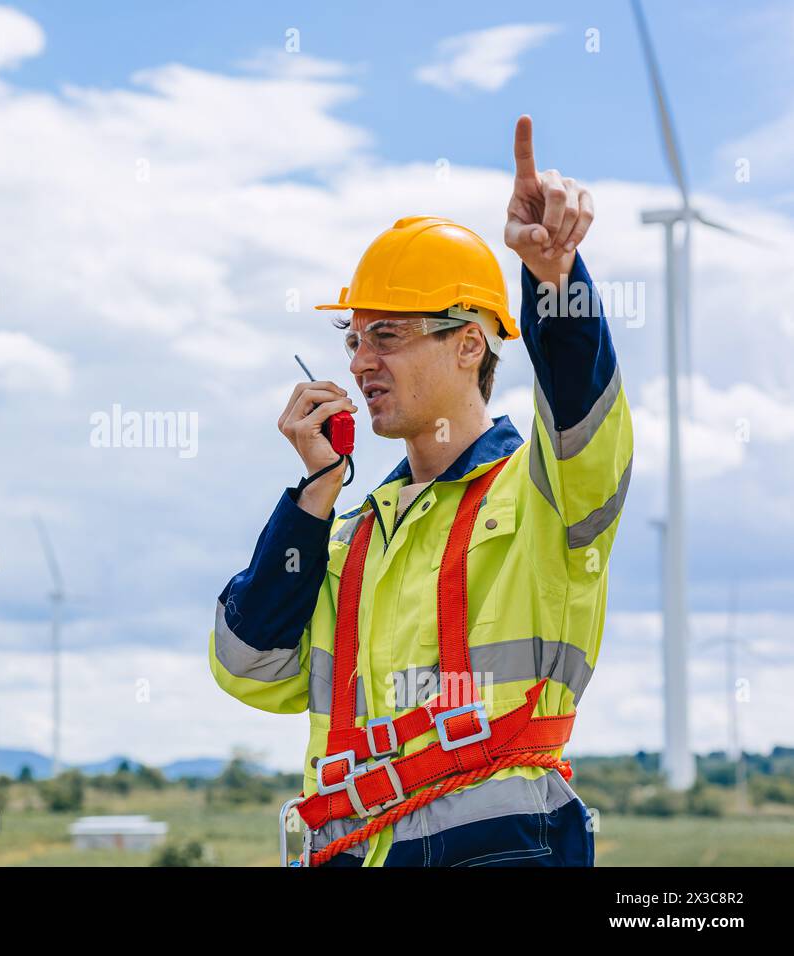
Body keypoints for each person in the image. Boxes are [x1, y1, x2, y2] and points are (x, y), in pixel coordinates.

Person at [209, 116, 632, 866]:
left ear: (470, 343)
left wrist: (555, 282)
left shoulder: (546, 495)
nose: (360, 360)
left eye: (388, 336)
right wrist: (313, 494)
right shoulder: (349, 538)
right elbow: (249, 666)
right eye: (354, 338)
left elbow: (582, 410)